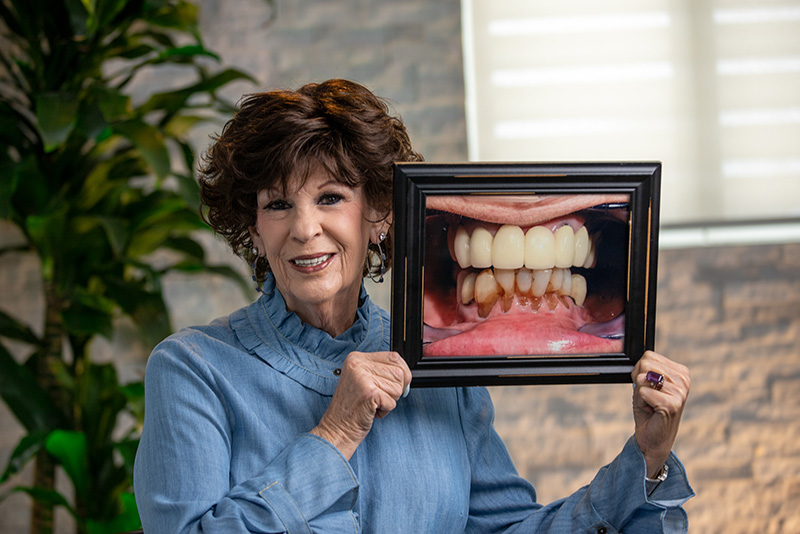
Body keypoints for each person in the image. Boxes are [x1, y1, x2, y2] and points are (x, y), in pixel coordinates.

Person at [133, 79, 694, 533]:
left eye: (331, 197)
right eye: (277, 205)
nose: (305, 229)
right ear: (253, 228)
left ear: (379, 214)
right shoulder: (192, 368)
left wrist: (644, 461)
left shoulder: (440, 358)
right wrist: (335, 434)